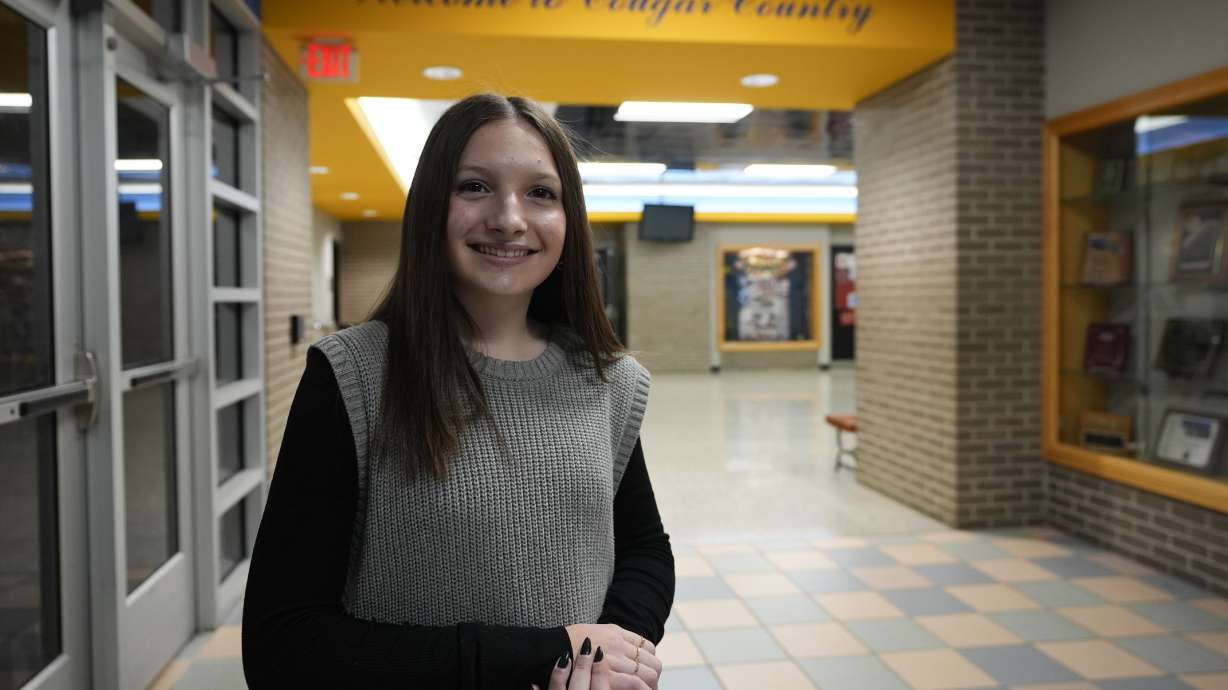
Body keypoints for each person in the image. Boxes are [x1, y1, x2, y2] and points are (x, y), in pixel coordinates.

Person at [241, 93, 675, 690]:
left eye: (541, 193)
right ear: (429, 208)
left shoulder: (607, 380)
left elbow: (645, 549)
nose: (509, 218)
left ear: (569, 219)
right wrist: (540, 654)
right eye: (474, 187)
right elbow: (281, 642)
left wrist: (603, 656)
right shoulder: (355, 374)